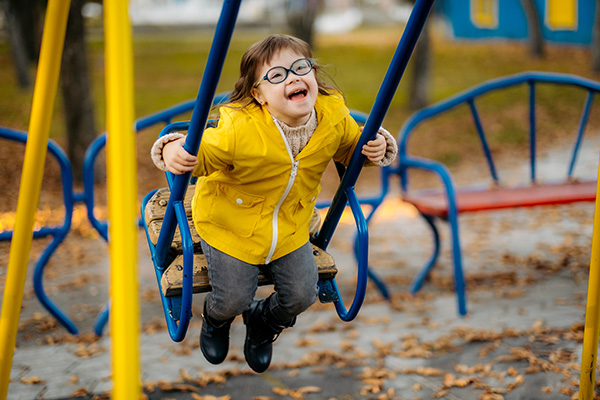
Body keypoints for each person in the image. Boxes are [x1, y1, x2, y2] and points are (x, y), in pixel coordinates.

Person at [151, 34, 398, 373]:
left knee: (302, 295)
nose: (294, 77)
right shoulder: (239, 127)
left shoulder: (332, 116)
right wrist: (172, 149)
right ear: (258, 95)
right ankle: (215, 319)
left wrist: (376, 147)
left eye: (301, 67)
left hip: (289, 226)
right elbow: (201, 151)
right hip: (229, 225)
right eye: (277, 75)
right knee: (233, 298)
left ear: (313, 74)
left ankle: (263, 322)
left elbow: (352, 149)